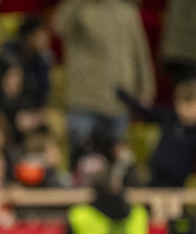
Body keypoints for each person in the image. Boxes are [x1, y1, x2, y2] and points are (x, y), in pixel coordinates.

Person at [53, 0, 154, 161]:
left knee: (116, 165)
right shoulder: (80, 8)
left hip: (119, 103)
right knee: (81, 162)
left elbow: (140, 52)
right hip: (85, 101)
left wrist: (146, 90)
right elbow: (59, 27)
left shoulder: (127, 11)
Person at [118, 79, 196, 193]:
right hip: (154, 174)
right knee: (134, 177)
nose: (186, 110)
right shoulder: (170, 118)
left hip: (176, 182)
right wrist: (126, 98)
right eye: (182, 104)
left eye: (191, 106)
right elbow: (147, 112)